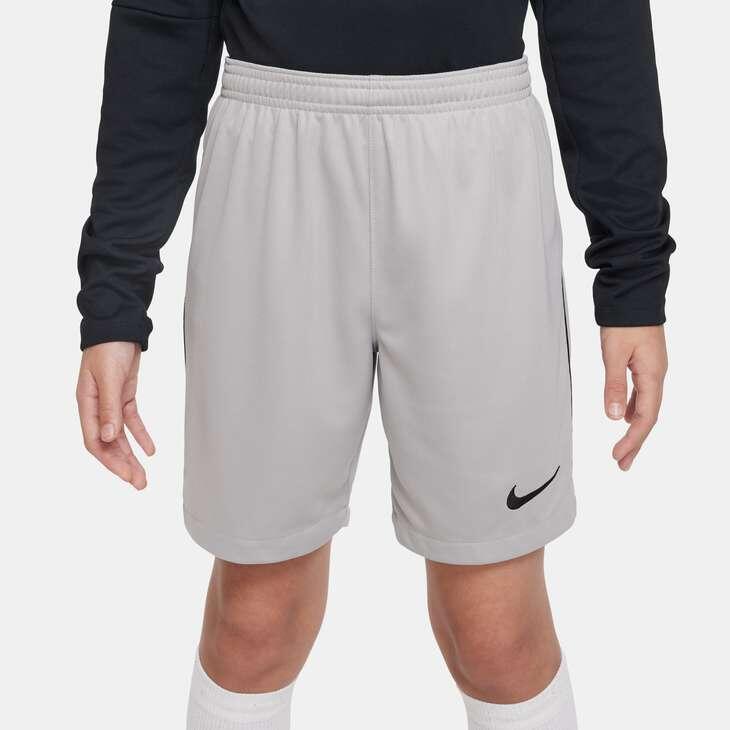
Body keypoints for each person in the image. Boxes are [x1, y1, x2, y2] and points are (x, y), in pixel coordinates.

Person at [76, 2, 674, 728]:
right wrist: (115, 296)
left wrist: (632, 276)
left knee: (496, 629)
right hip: (272, 157)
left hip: (474, 159)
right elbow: (163, 22)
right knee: (256, 618)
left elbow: (595, 16)